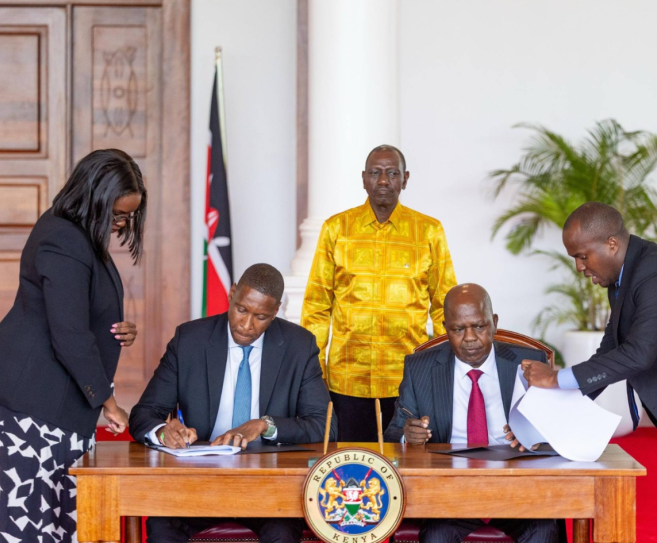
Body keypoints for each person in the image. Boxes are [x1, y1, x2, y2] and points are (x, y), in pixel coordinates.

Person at [521, 202, 657, 542]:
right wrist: (546, 412)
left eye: (582, 256)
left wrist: (555, 377)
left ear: (611, 244)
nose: (579, 267)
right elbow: (611, 349)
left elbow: (638, 354)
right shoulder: (625, 277)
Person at [0, 149, 145, 542]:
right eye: (117, 214)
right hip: (30, 406)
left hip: (52, 404)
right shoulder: (63, 239)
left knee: (57, 522)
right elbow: (69, 335)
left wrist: (115, 328)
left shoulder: (78, 234)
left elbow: (79, 310)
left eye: (129, 216)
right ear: (94, 198)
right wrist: (109, 403)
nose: (122, 224)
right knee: (28, 525)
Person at [130, 263, 337, 543]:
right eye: (241, 310)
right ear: (232, 294)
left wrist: (264, 425)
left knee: (282, 534)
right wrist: (163, 431)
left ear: (276, 311)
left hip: (269, 487)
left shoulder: (299, 346)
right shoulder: (189, 340)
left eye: (261, 317)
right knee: (162, 527)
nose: (247, 325)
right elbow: (144, 413)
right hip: (198, 482)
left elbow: (324, 425)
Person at [301, 144, 457, 442]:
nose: (383, 180)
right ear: (364, 178)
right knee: (349, 461)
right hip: (347, 379)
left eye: (392, 173)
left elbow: (444, 307)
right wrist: (314, 371)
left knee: (409, 463)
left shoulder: (429, 231)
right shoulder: (336, 229)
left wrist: (443, 369)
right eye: (375, 173)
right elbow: (316, 307)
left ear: (405, 179)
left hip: (408, 379)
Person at [384, 284, 559, 543]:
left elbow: (556, 430)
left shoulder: (529, 364)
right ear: (445, 328)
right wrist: (407, 435)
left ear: (494, 323)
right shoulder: (419, 368)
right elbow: (393, 433)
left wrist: (532, 434)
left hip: (516, 485)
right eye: (458, 329)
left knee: (543, 531)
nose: (469, 337)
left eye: (479, 326)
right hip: (450, 489)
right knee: (436, 536)